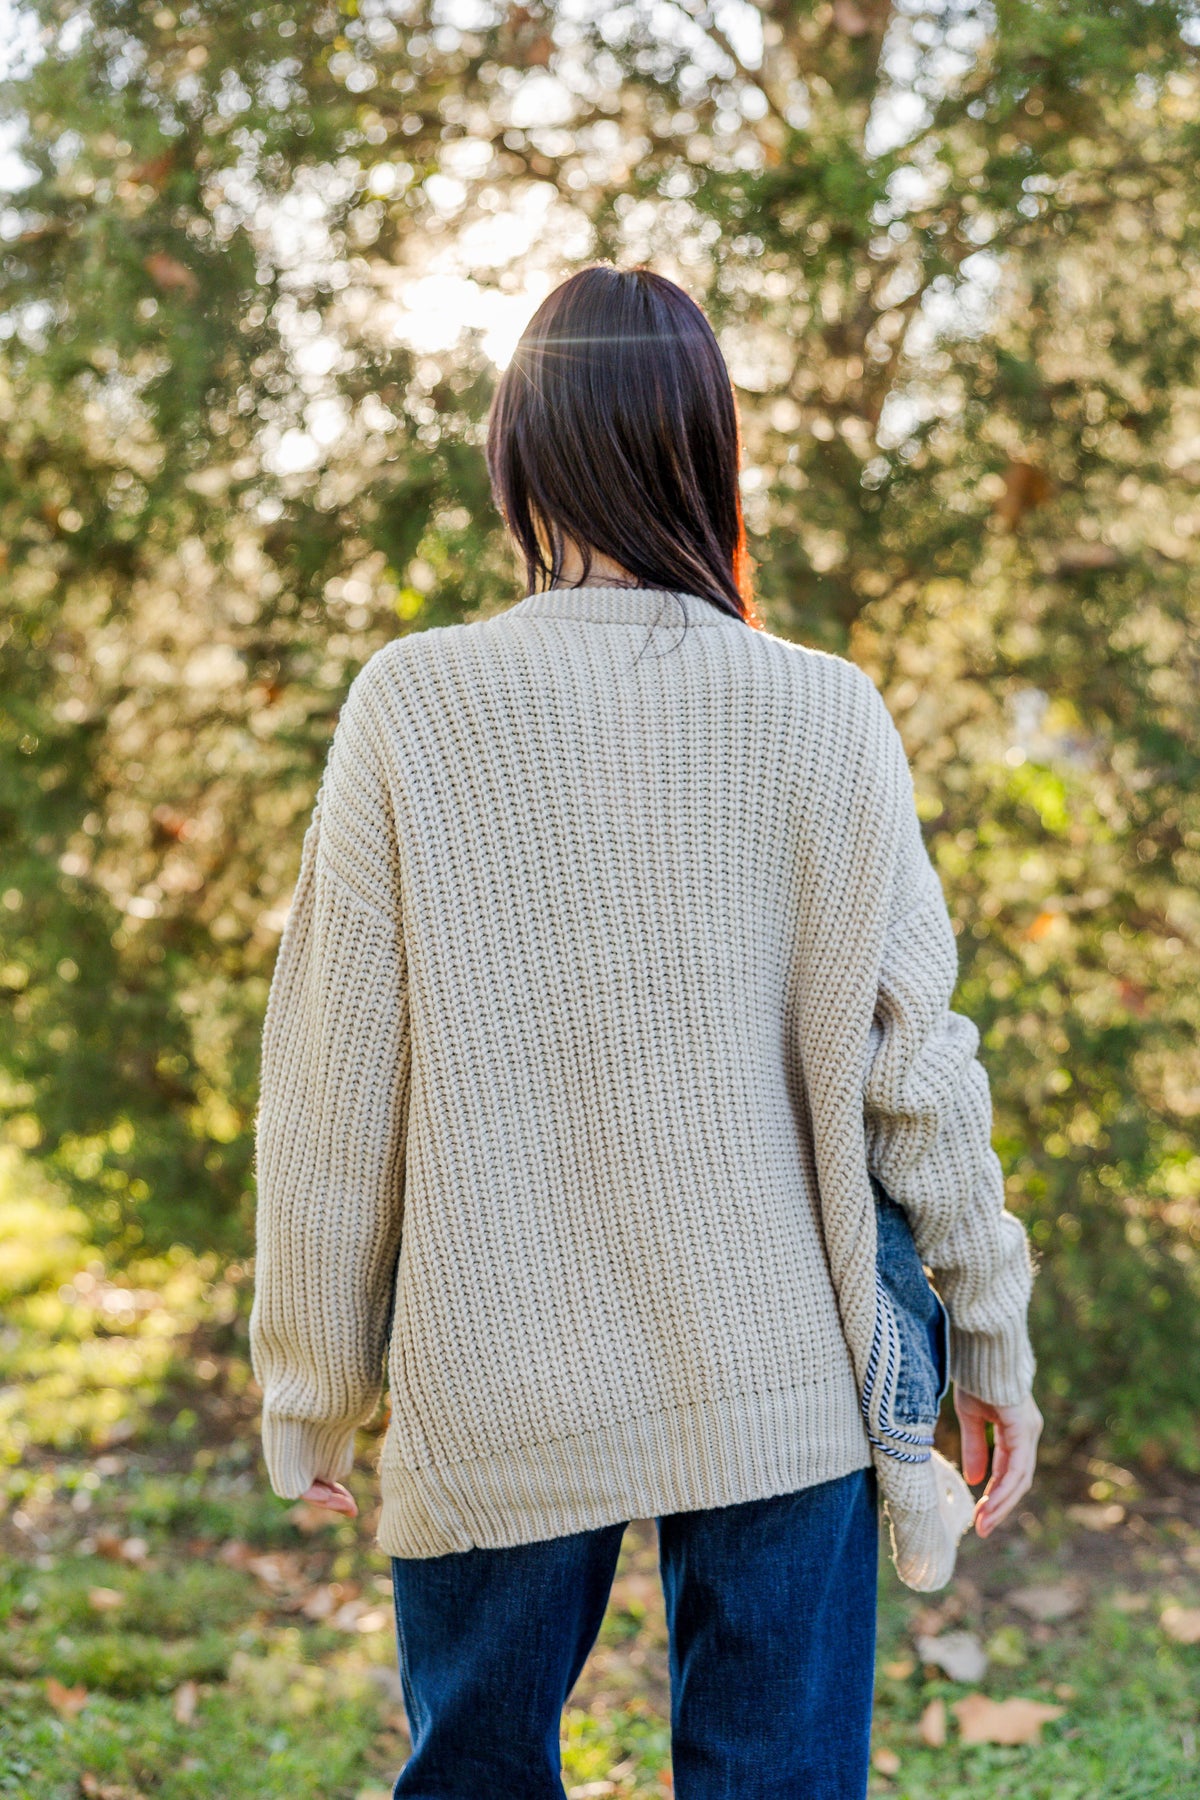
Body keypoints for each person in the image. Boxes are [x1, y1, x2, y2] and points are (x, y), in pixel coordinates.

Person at [248, 263, 1042, 1799]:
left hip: (497, 1375)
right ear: (709, 445)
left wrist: (313, 1374)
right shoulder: (825, 710)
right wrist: (987, 1336)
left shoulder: (414, 702)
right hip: (783, 1378)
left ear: (520, 451)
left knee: (473, 1775)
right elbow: (919, 1075)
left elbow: (334, 1088)